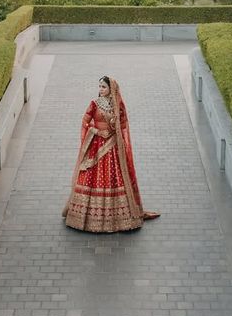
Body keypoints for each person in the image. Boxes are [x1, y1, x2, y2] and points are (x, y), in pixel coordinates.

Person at [62, 76, 160, 233]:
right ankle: (83, 217)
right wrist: (96, 131)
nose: (101, 90)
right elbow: (85, 123)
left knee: (114, 176)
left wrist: (114, 126)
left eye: (104, 87)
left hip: (113, 147)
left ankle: (118, 218)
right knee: (91, 176)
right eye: (99, 86)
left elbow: (123, 125)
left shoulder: (118, 106)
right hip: (96, 147)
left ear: (111, 90)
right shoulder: (94, 104)